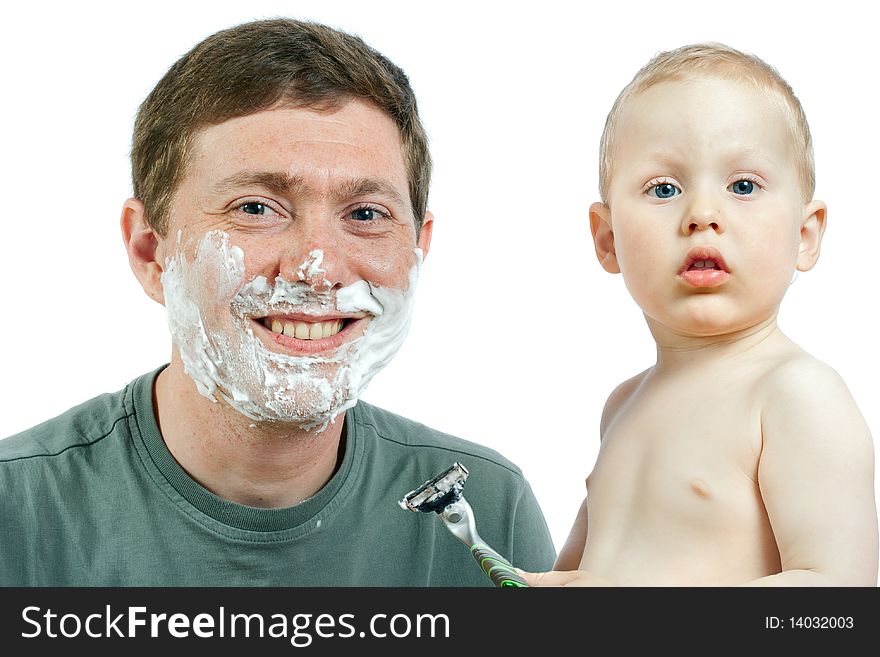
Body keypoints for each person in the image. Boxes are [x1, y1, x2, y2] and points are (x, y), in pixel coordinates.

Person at [0, 18, 555, 585]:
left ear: (417, 249)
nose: (318, 268)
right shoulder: (15, 515)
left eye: (366, 214)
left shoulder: (485, 514)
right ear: (150, 251)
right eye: (256, 208)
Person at [522, 43, 877, 586]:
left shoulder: (796, 395)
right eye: (664, 189)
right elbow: (577, 576)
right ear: (608, 239)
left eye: (743, 186)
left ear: (805, 236)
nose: (703, 215)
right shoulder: (621, 405)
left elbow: (837, 603)